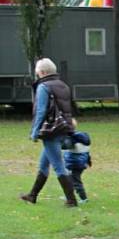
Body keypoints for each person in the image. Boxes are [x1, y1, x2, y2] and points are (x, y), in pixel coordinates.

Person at [19, 58, 79, 207]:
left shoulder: (43, 87)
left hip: (51, 130)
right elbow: (68, 108)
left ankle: (71, 200)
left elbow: (41, 111)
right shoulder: (63, 85)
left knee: (58, 166)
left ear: (43, 72)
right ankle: (32, 196)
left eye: (38, 73)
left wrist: (34, 131)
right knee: (44, 165)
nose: (37, 75)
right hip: (63, 128)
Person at [62, 131, 92, 203]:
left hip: (74, 164)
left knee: (75, 181)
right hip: (81, 163)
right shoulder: (83, 138)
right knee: (71, 179)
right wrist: (88, 161)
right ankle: (69, 195)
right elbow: (87, 152)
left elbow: (64, 146)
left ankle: (83, 198)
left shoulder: (73, 139)